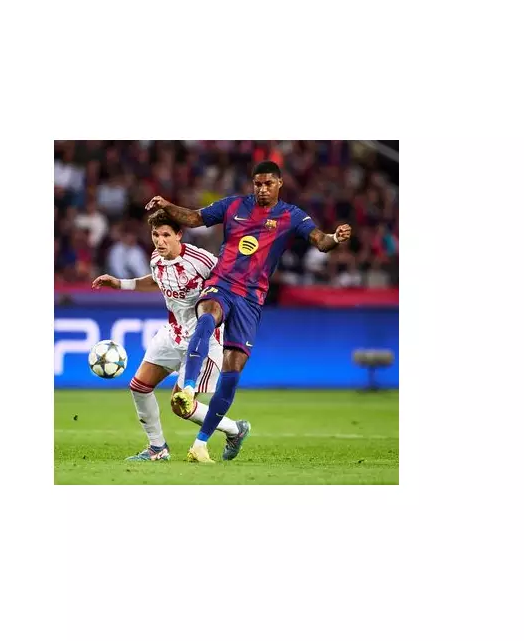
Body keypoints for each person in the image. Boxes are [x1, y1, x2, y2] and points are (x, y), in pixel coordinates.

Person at [145, 160, 351, 463]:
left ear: (279, 184)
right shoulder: (234, 206)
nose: (262, 189)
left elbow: (320, 241)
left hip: (251, 299)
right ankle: (188, 387)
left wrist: (335, 238)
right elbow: (195, 217)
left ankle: (202, 443)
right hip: (222, 284)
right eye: (258, 184)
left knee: (232, 373)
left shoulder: (291, 216)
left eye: (268, 184)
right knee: (206, 316)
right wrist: (167, 205)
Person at [91, 208, 250, 461]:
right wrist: (120, 283)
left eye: (166, 235)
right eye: (155, 234)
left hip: (204, 340)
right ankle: (157, 448)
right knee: (139, 387)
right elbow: (156, 279)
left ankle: (235, 429)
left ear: (179, 235)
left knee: (180, 405)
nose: (160, 240)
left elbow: (231, 282)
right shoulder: (157, 258)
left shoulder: (202, 260)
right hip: (173, 333)